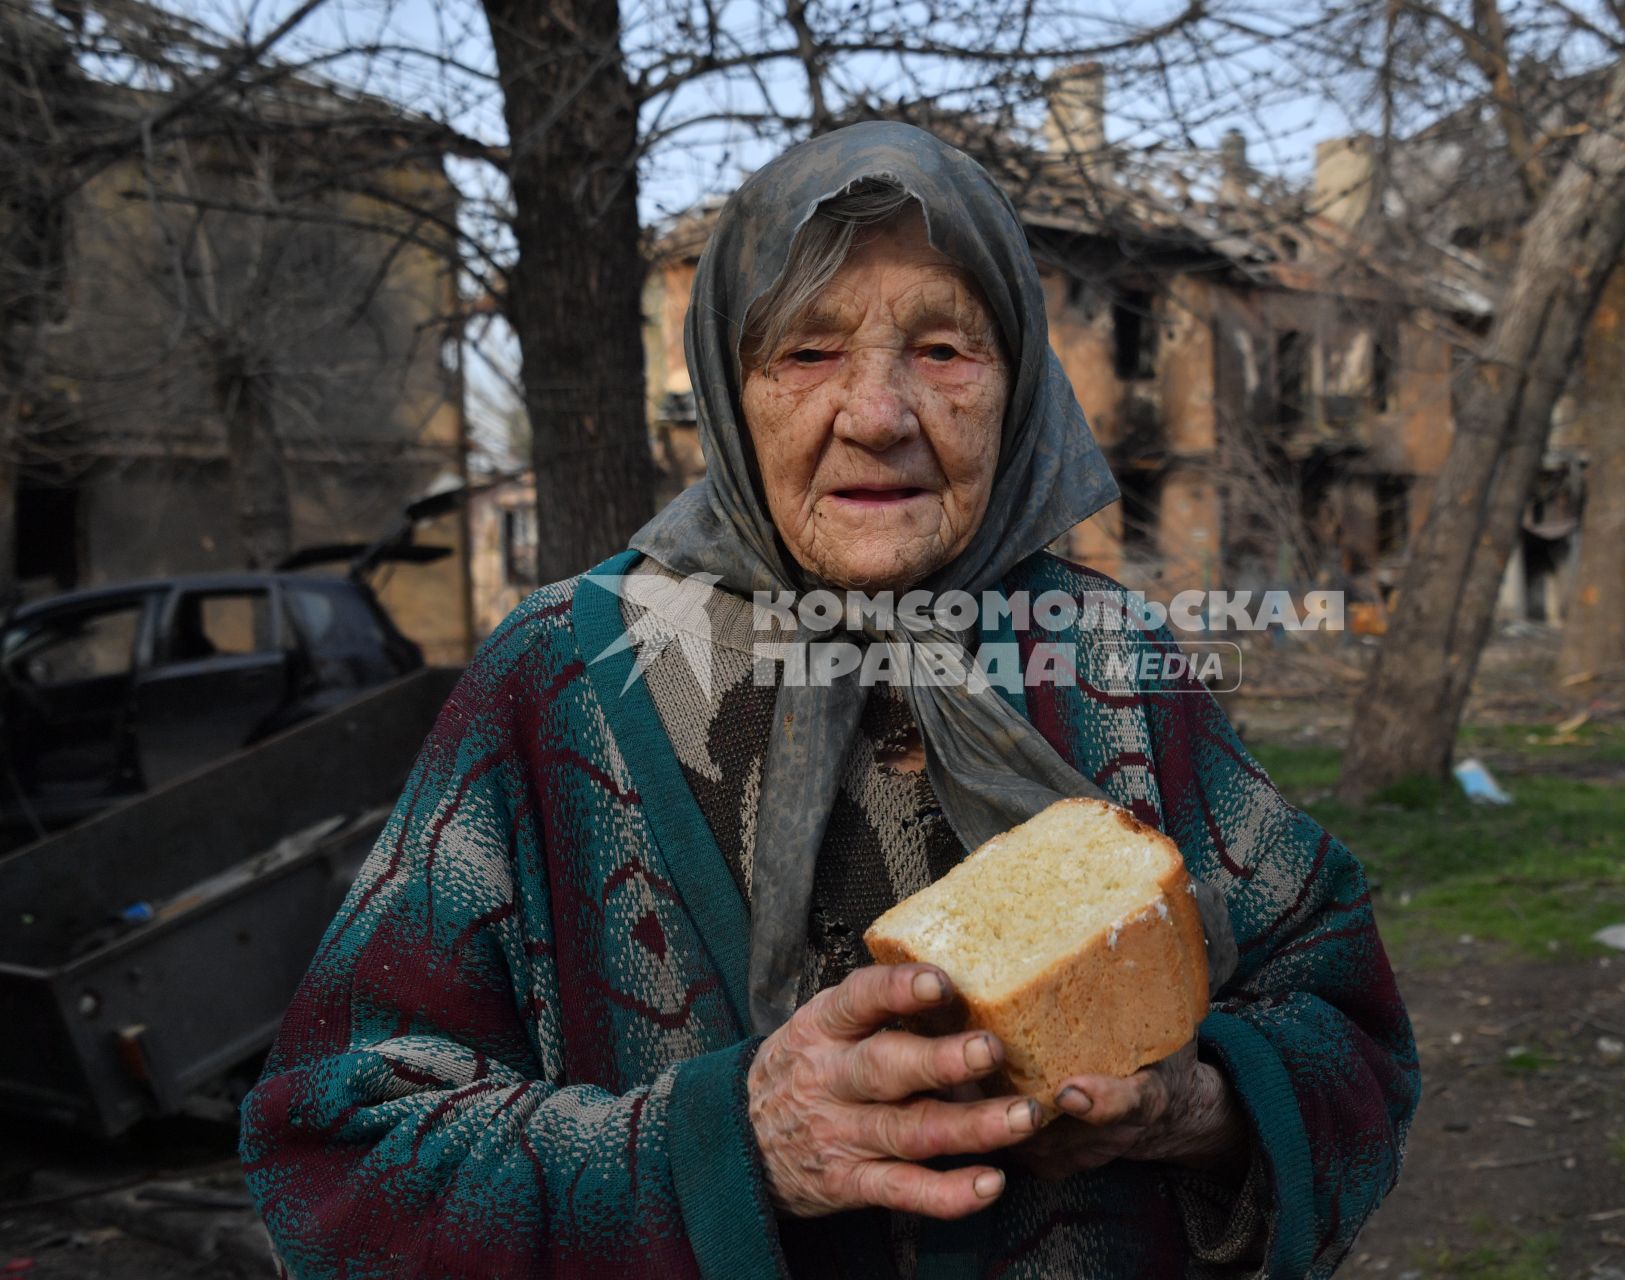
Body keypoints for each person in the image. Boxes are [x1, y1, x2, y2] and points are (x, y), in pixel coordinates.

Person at [240, 120, 1418, 1279]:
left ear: (1018, 378)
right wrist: (733, 1144)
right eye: (806, 353)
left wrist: (1196, 1105)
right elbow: (336, 1156)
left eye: (946, 349)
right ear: (728, 389)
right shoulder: (563, 676)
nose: (878, 412)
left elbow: (1346, 1021)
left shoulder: (1109, 654)